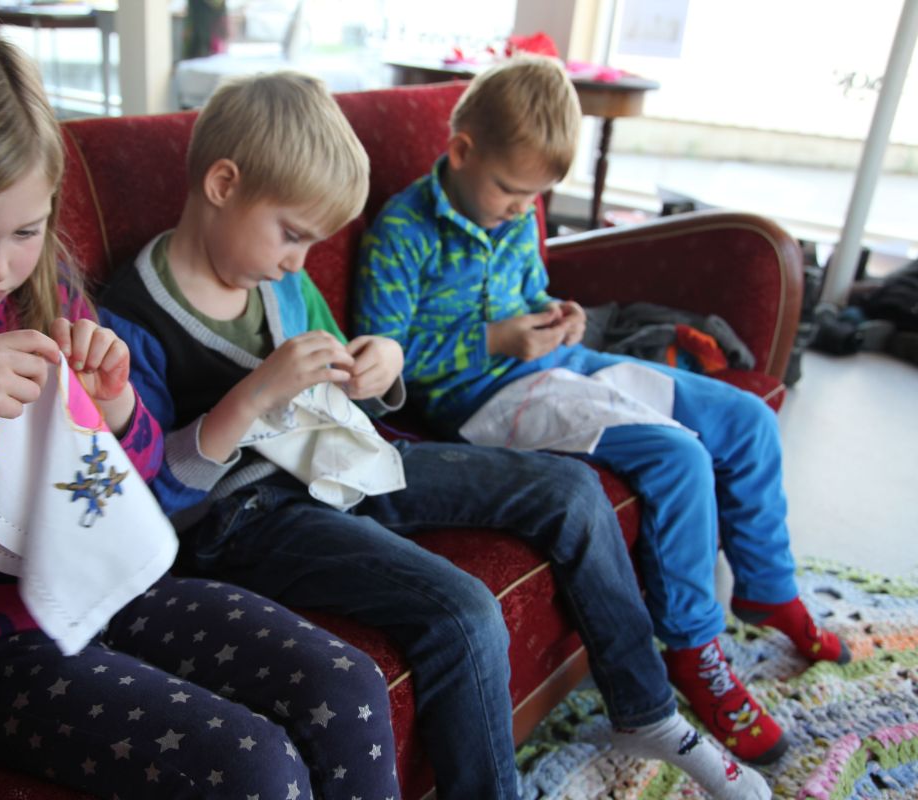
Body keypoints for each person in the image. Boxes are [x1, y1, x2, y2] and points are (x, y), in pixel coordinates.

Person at [0, 29, 401, 800]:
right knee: (257, 767)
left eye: (26, 230)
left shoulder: (46, 285)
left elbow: (139, 481)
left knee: (347, 686)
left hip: (109, 575)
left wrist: (117, 405)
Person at [97, 70, 771, 799]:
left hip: (351, 456)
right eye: (292, 237)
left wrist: (380, 366)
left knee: (573, 491)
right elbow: (158, 494)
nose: (298, 261)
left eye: (311, 243)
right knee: (464, 610)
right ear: (223, 185)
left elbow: (342, 371)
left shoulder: (278, 279)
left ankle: (645, 711)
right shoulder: (130, 316)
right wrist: (252, 397)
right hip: (249, 515)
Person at [353, 53, 851, 767]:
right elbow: (384, 359)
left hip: (555, 363)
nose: (523, 209)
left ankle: (769, 589)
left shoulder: (512, 211)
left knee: (747, 420)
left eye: (536, 197)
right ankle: (692, 649)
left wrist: (558, 314)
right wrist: (497, 339)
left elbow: (528, 292)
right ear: (461, 151)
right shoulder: (404, 232)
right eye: (511, 191)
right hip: (479, 400)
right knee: (678, 456)